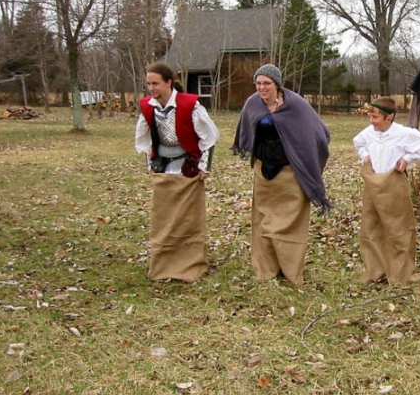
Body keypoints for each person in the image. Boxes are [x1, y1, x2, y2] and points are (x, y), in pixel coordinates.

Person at [232, 64, 331, 286]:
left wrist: (306, 159)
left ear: (277, 84)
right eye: (258, 83)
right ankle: (266, 271)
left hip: (290, 172)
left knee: (289, 223)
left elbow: (319, 132)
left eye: (266, 83)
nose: (262, 87)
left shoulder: (295, 105)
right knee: (263, 222)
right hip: (263, 170)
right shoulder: (253, 103)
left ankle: (291, 272)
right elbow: (245, 130)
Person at [135, 62, 220, 282]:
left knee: (188, 219)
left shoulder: (190, 104)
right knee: (164, 218)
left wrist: (204, 167)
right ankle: (164, 265)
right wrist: (150, 166)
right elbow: (146, 141)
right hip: (163, 167)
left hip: (187, 168)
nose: (151, 88)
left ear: (168, 82)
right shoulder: (148, 107)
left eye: (155, 83)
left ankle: (190, 264)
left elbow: (209, 138)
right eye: (148, 84)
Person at [353, 97, 420, 284]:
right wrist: (365, 156)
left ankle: (399, 274)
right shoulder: (369, 133)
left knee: (398, 229)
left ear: (389, 118)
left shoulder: (403, 133)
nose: (372, 121)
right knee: (372, 228)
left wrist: (407, 158)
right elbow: (359, 142)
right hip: (374, 184)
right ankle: (376, 271)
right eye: (370, 117)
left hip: (393, 184)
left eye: (375, 117)